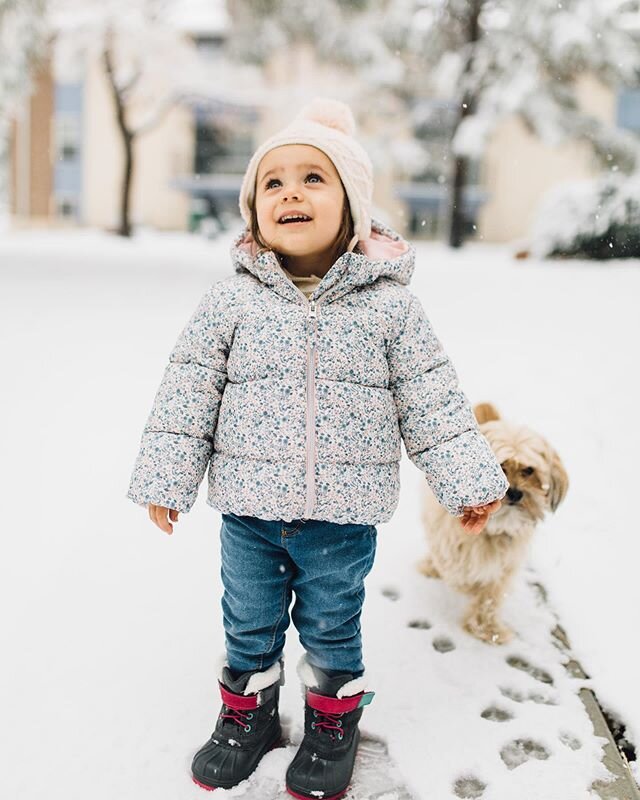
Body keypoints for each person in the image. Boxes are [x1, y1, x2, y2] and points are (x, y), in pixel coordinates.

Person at [126, 97, 508, 799]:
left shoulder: (389, 305)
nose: (290, 192)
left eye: (312, 178)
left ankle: (334, 720)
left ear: (352, 207)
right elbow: (187, 393)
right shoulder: (231, 301)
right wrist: (166, 475)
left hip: (341, 519)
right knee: (248, 620)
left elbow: (434, 403)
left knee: (333, 624)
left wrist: (466, 481)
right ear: (254, 210)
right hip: (248, 514)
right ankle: (249, 715)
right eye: (272, 182)